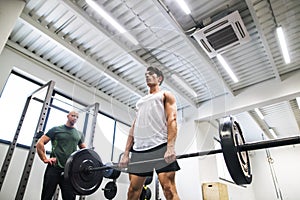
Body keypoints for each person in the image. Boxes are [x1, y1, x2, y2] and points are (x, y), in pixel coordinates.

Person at [119, 66, 180, 200]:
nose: (147, 76)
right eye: (146, 74)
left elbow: (172, 119)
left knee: (169, 189)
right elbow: (134, 127)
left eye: (151, 74)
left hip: (160, 147)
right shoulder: (140, 102)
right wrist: (126, 153)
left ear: (159, 78)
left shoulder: (165, 95)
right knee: (133, 191)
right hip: (140, 150)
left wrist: (170, 147)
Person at [36, 110, 86, 200]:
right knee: (46, 196)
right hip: (54, 168)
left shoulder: (79, 134)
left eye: (77, 117)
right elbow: (40, 143)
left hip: (69, 171)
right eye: (73, 115)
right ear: (68, 116)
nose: (75, 118)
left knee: (70, 198)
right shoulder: (56, 129)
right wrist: (44, 159)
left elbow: (85, 151)